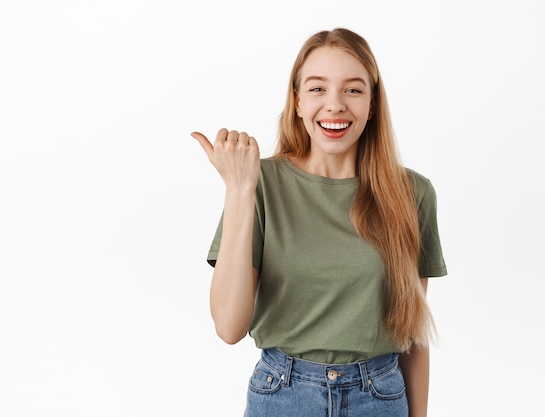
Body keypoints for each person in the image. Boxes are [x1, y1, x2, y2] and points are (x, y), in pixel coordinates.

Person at [191, 27, 447, 417]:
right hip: (282, 396)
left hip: (378, 398)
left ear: (373, 104)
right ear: (296, 101)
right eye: (317, 89)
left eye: (353, 89)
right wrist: (240, 192)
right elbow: (229, 327)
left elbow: (412, 334)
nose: (335, 105)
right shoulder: (258, 185)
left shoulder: (412, 193)